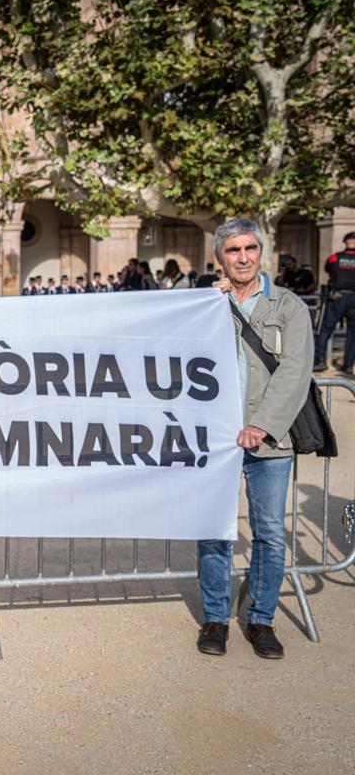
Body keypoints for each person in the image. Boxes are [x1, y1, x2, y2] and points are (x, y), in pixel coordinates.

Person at [196, 218, 312, 661]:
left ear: (260, 253)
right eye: (233, 250)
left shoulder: (289, 306)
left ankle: (260, 618)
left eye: (250, 249)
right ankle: (214, 618)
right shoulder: (207, 304)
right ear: (219, 257)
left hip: (270, 441)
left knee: (268, 532)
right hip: (218, 441)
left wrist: (261, 425)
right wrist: (203, 303)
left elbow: (295, 371)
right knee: (214, 532)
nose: (243, 257)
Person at [314, 232, 355, 374]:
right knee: (353, 333)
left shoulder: (335, 257)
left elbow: (327, 269)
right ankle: (348, 365)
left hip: (337, 296)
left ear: (345, 242)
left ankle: (320, 361)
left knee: (324, 329)